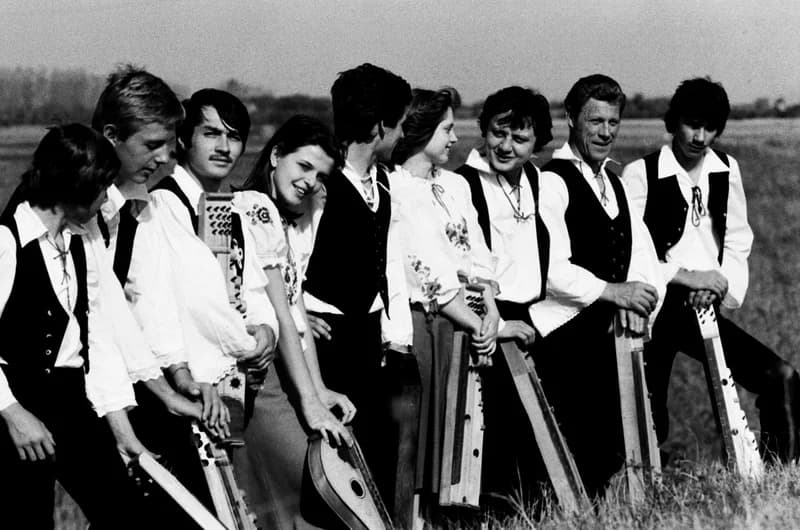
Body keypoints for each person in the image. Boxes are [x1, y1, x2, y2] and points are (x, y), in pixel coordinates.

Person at [622, 77, 800, 462]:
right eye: (692, 124)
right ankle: (643, 493)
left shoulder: (726, 169)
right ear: (674, 121)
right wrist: (686, 277)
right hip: (654, 309)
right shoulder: (640, 173)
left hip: (704, 307)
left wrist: (719, 286)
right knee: (647, 418)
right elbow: (633, 254)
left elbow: (738, 239)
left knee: (781, 378)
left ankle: (777, 475)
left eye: (710, 127)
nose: (700, 137)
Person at [389, 87, 532, 519]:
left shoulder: (454, 185)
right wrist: (477, 322)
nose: (455, 138)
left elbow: (478, 256)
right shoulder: (394, 188)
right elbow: (423, 272)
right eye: (447, 128)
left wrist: (490, 313)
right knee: (422, 444)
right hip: (428, 326)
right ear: (420, 129)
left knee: (458, 448)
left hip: (466, 326)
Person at [0, 124, 147, 529]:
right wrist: (12, 412)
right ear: (76, 182)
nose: (106, 196)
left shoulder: (79, 244)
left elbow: (93, 345)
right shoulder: (7, 242)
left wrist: (120, 430)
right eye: (102, 185)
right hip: (17, 404)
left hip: (71, 402)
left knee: (126, 511)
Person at [532, 74, 665, 496]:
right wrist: (612, 292)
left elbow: (643, 257)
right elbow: (551, 269)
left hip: (613, 335)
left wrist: (639, 297)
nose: (605, 132)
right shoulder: (551, 181)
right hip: (564, 338)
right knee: (583, 454)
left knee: (631, 441)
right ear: (571, 119)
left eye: (613, 122)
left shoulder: (618, 184)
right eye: (595, 122)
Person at [232, 114, 356, 529]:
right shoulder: (253, 206)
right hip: (265, 374)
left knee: (295, 499)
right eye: (303, 166)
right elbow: (281, 313)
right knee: (302, 489)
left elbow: (295, 303)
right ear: (276, 155)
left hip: (291, 370)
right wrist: (309, 401)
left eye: (318, 175)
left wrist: (319, 389)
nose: (309, 182)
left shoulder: (287, 219)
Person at [302, 63, 412, 503]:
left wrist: (391, 332)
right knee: (331, 465)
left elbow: (388, 264)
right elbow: (290, 257)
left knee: (375, 456)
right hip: (327, 341)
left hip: (369, 336)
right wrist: (301, 313)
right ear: (380, 124)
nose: (403, 134)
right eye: (400, 124)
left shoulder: (383, 182)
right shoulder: (321, 183)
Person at [455, 86, 553, 507]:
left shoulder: (538, 180)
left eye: (520, 138)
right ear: (484, 130)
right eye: (498, 132)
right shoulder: (463, 182)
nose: (506, 146)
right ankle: (495, 508)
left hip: (535, 314)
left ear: (537, 144)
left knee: (538, 418)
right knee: (496, 419)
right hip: (488, 314)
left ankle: (534, 506)